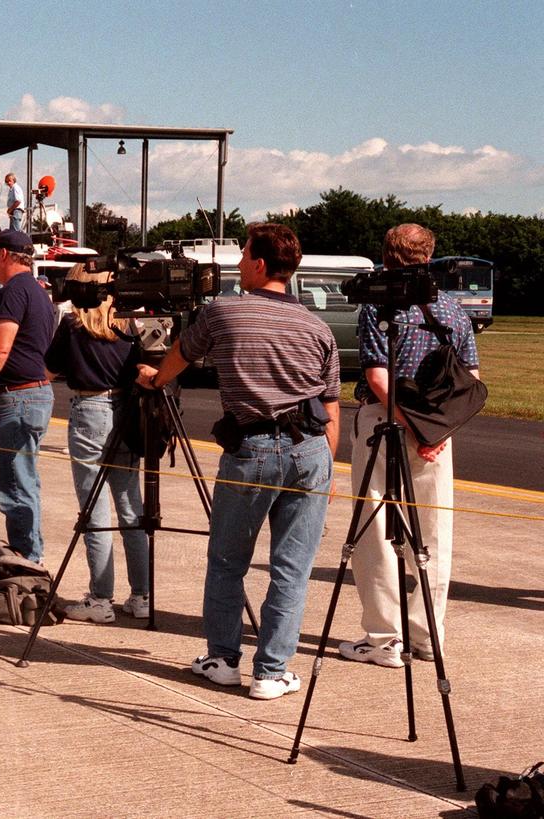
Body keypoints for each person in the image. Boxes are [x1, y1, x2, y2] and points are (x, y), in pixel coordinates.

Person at [136, 222, 340, 700]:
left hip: (252, 450)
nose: (239, 263)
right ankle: (272, 671)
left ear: (261, 264)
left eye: (244, 254)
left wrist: (155, 379)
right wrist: (328, 468)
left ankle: (223, 658)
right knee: (292, 566)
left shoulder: (224, 311)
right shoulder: (317, 326)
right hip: (310, 451)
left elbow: (182, 353)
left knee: (228, 559)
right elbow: (331, 406)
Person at [338, 224, 479, 669]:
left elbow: (379, 379)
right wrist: (434, 431)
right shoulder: (453, 310)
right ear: (429, 254)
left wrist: (411, 427)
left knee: (375, 527)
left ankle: (383, 638)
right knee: (434, 532)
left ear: (388, 254)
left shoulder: (378, 305)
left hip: (386, 418)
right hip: (440, 428)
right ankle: (427, 635)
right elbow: (471, 379)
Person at [46, 264, 149, 621]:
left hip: (89, 407)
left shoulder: (73, 327)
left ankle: (101, 597)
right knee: (130, 509)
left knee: (94, 509)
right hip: (124, 408)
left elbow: (48, 370)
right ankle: (142, 595)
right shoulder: (128, 327)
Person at [0, 229, 55, 565]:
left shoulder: (13, 291)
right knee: (25, 480)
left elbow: (1, 345)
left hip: (17, 398)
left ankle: (27, 559)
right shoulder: (37, 291)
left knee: (14, 485)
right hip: (32, 393)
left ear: (3, 254)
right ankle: (29, 553)